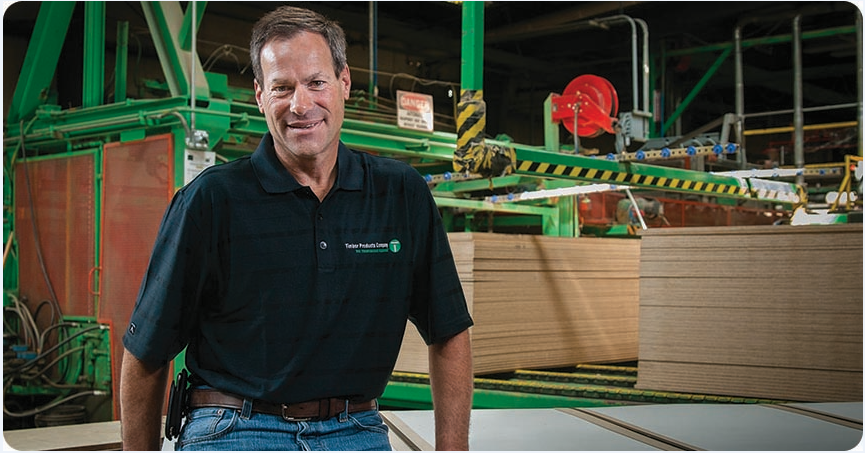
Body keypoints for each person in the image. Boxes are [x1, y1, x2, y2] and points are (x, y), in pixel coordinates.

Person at [119, 5, 474, 451]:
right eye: (282, 88)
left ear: (344, 82)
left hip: (356, 426)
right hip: (236, 425)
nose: (300, 105)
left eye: (316, 82)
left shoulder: (400, 194)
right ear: (260, 95)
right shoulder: (212, 200)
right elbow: (146, 351)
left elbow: (449, 330)